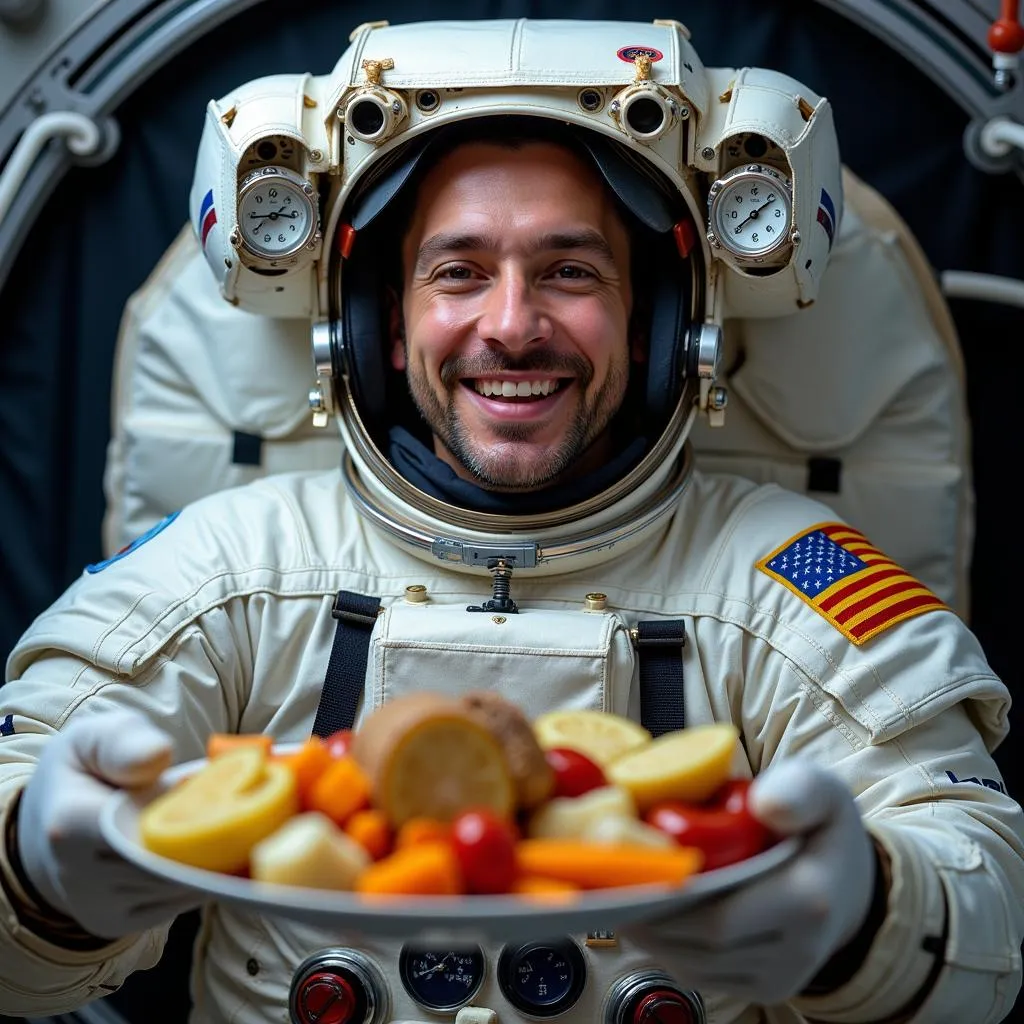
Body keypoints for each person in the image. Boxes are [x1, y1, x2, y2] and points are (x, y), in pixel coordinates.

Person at [1, 16, 1022, 1024]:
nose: (509, 324)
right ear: (379, 326)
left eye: (570, 270)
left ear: (664, 323)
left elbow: (978, 898)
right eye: (458, 271)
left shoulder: (791, 577)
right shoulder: (234, 564)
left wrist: (867, 912)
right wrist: (33, 866)